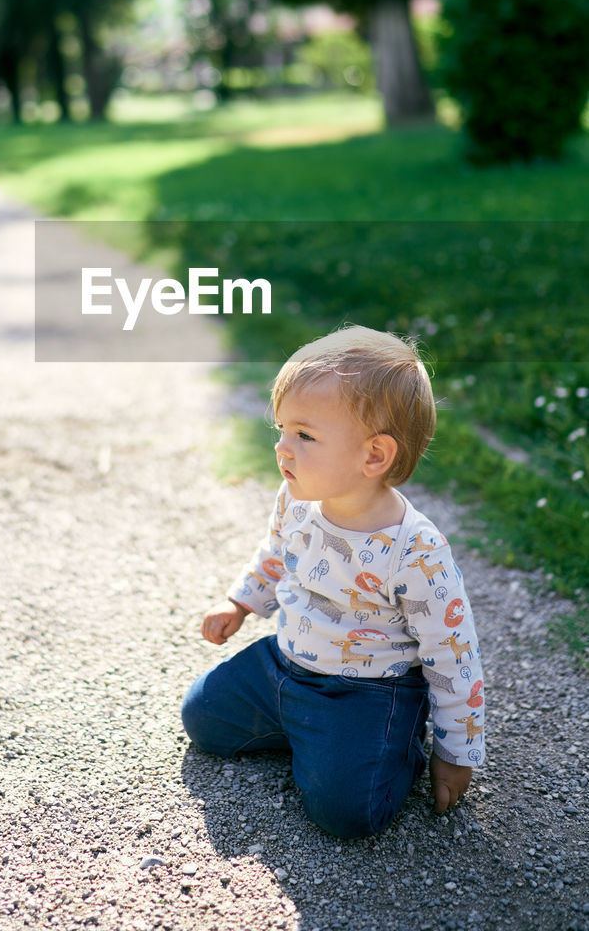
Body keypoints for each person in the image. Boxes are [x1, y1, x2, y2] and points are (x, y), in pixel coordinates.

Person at [181, 324, 484, 839]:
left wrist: (458, 753)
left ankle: (391, 745)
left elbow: (454, 654)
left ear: (373, 456)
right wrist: (240, 602)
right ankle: (305, 732)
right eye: (280, 430)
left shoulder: (415, 551)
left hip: (366, 693)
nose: (282, 449)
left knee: (347, 813)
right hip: (286, 663)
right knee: (202, 715)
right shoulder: (296, 498)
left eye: (304, 435)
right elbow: (276, 554)